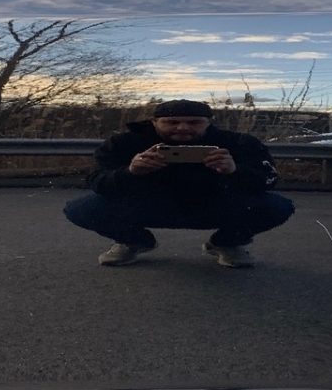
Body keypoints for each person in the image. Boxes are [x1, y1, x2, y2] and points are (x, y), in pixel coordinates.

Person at [64, 100, 295, 267]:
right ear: (154, 122)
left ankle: (226, 243)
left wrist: (235, 171)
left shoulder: (238, 142)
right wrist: (130, 172)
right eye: (172, 122)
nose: (183, 128)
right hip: (148, 206)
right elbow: (95, 181)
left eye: (194, 122)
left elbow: (269, 179)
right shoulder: (124, 143)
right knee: (81, 208)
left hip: (213, 206)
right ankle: (133, 240)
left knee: (278, 206)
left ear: (208, 123)